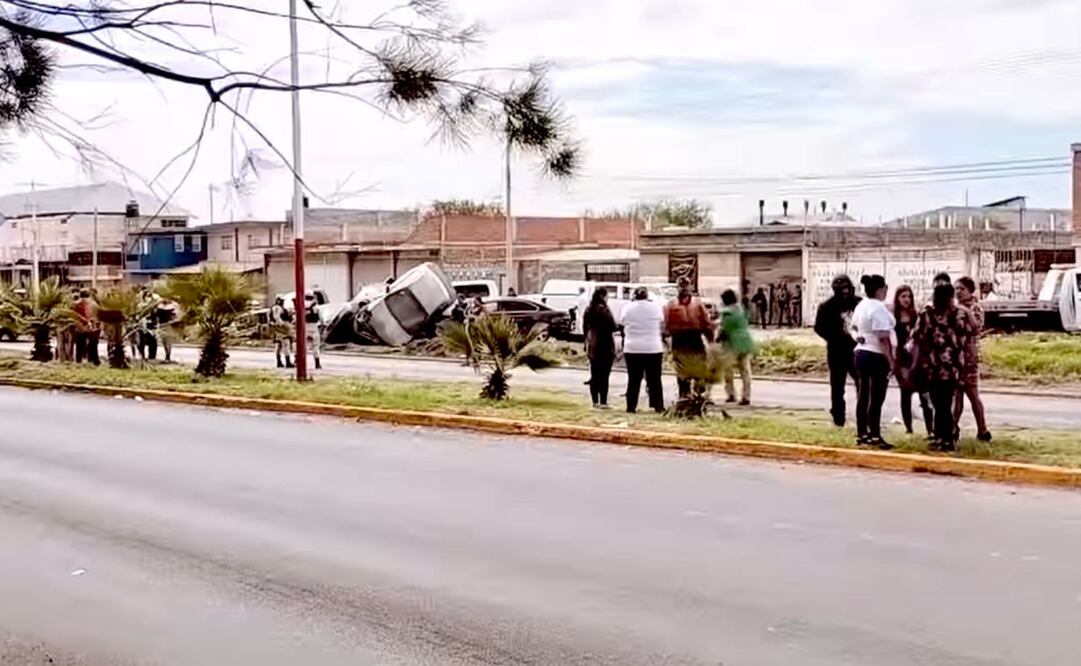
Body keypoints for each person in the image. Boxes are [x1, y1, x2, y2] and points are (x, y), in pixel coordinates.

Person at [912, 282, 975, 451]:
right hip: (952, 365)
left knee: (939, 403)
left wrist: (915, 363)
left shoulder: (927, 314)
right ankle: (944, 436)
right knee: (945, 402)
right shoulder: (960, 314)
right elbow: (970, 334)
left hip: (933, 364)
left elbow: (917, 338)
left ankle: (944, 437)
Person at [851, 275, 895, 448]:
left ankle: (862, 433)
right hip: (876, 354)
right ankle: (874, 434)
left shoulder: (861, 305)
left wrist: (858, 337)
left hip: (861, 353)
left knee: (863, 394)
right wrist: (891, 360)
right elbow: (883, 337)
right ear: (880, 289)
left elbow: (853, 327)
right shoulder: (878, 309)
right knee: (876, 397)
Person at [814, 275, 860, 427]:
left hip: (856, 350)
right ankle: (838, 418)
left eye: (847, 289)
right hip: (836, 351)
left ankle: (864, 415)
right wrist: (833, 337)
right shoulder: (827, 307)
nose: (845, 292)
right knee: (837, 386)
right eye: (842, 289)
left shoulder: (859, 303)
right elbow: (819, 328)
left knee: (862, 383)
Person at [953, 276, 991, 442]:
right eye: (956, 289)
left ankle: (982, 429)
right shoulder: (956, 308)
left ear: (970, 291)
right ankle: (953, 427)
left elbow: (970, 328)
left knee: (972, 394)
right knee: (957, 396)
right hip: (957, 358)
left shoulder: (975, 309)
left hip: (969, 358)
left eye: (961, 289)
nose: (958, 292)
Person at [892, 285, 933, 437]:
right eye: (903, 297)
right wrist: (898, 365)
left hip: (918, 360)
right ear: (897, 298)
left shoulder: (917, 316)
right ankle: (909, 428)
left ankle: (930, 428)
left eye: (909, 297)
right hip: (901, 360)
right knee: (905, 394)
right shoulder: (893, 319)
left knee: (924, 395)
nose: (906, 300)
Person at [619, 286, 665, 413]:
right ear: (647, 296)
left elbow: (622, 322)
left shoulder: (627, 308)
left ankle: (631, 406)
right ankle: (658, 405)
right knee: (654, 379)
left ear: (634, 295)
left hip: (632, 347)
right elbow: (661, 320)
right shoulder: (655, 307)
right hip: (653, 347)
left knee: (633, 379)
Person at [665, 286, 713, 398]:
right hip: (679, 338)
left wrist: (710, 337)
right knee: (682, 368)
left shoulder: (697, 304)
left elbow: (705, 322)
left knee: (699, 366)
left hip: (694, 337)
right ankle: (684, 393)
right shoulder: (671, 304)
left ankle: (698, 393)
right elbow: (666, 323)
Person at [719, 289, 757, 406]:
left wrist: (717, 338)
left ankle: (731, 394)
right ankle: (746, 396)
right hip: (745, 342)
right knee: (745, 371)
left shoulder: (726, 312)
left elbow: (724, 329)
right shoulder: (741, 310)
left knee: (728, 371)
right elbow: (749, 319)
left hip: (732, 344)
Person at [583, 287, 617, 409]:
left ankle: (594, 402)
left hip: (593, 344)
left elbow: (584, 327)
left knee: (594, 374)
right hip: (605, 344)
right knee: (604, 375)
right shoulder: (604, 310)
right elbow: (613, 326)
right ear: (603, 296)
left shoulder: (589, 309)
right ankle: (603, 401)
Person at [72, 289, 101, 366]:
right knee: (93, 346)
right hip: (93, 327)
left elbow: (73, 315)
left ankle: (79, 361)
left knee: (79, 346)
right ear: (88, 295)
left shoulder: (75, 304)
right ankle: (94, 361)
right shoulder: (94, 304)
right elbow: (98, 315)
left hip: (80, 327)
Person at [270, 296, 294, 369]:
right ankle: (287, 362)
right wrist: (283, 325)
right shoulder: (278, 308)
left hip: (276, 328)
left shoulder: (273, 308)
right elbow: (277, 317)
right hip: (281, 328)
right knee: (286, 344)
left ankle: (279, 361)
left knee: (278, 345)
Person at [155, 297, 179, 363]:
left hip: (168, 325)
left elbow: (176, 316)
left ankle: (168, 356)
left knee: (168, 341)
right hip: (161, 325)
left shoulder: (173, 306)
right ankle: (167, 356)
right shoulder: (160, 306)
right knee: (164, 341)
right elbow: (156, 315)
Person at [304, 294, 323, 370]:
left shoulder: (302, 305)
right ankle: (317, 363)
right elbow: (320, 318)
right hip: (314, 327)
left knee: (302, 346)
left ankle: (298, 361)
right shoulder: (315, 306)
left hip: (305, 327)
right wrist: (322, 324)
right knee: (315, 346)